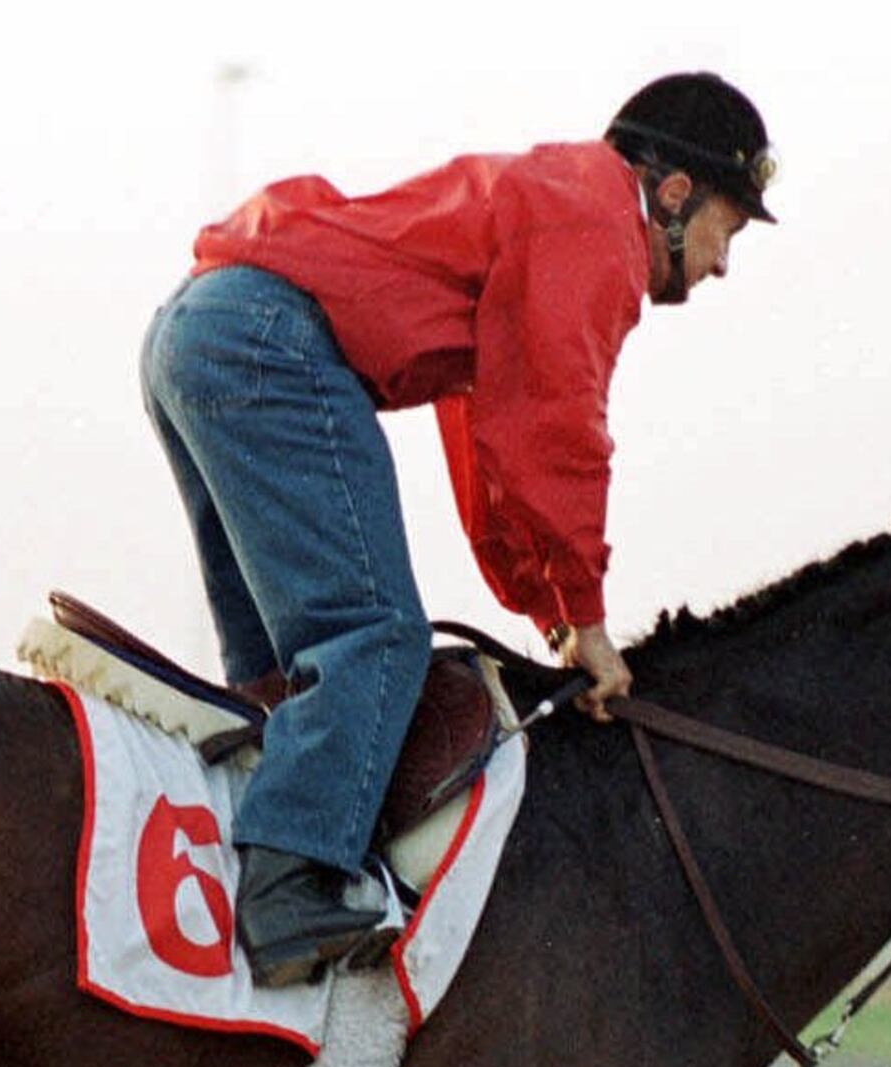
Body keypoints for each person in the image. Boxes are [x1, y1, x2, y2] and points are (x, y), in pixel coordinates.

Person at [141, 72, 775, 986]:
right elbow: (557, 429)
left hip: (195, 332)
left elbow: (490, 439)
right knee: (375, 641)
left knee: (278, 682)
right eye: (731, 227)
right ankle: (285, 899)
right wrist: (588, 616)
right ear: (674, 193)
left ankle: (238, 874)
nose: (723, 261)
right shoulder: (599, 224)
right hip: (265, 340)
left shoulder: (555, 201)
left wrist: (548, 607)